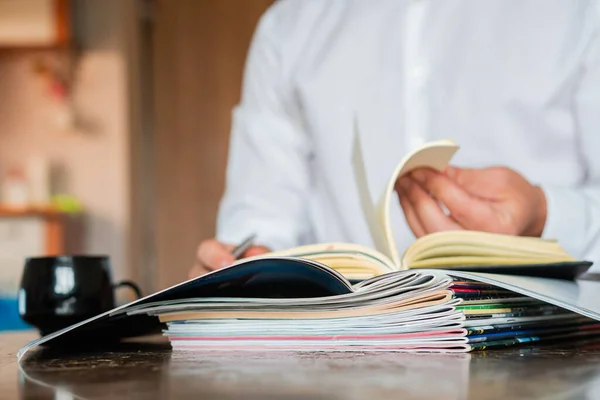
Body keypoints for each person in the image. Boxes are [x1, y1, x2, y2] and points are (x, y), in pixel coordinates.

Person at [189, 0, 600, 278]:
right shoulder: (288, 25)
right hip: (337, 366)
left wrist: (545, 216)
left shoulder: (579, 12)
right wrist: (243, 264)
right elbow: (261, 220)